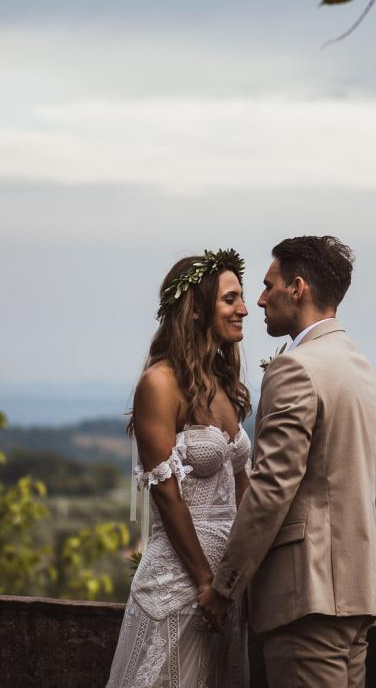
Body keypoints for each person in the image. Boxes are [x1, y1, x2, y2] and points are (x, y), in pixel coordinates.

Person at [202, 236, 376, 688]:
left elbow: (271, 489)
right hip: (358, 592)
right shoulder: (360, 367)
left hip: (306, 596)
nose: (259, 300)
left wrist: (224, 587)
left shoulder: (296, 369)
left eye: (269, 286)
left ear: (297, 288)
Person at [106, 249, 253, 688]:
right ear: (196, 309)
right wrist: (205, 582)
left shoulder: (225, 387)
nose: (244, 309)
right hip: (181, 580)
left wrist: (236, 577)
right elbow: (166, 494)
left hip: (224, 588)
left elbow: (243, 490)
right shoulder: (159, 384)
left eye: (241, 297)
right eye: (231, 299)